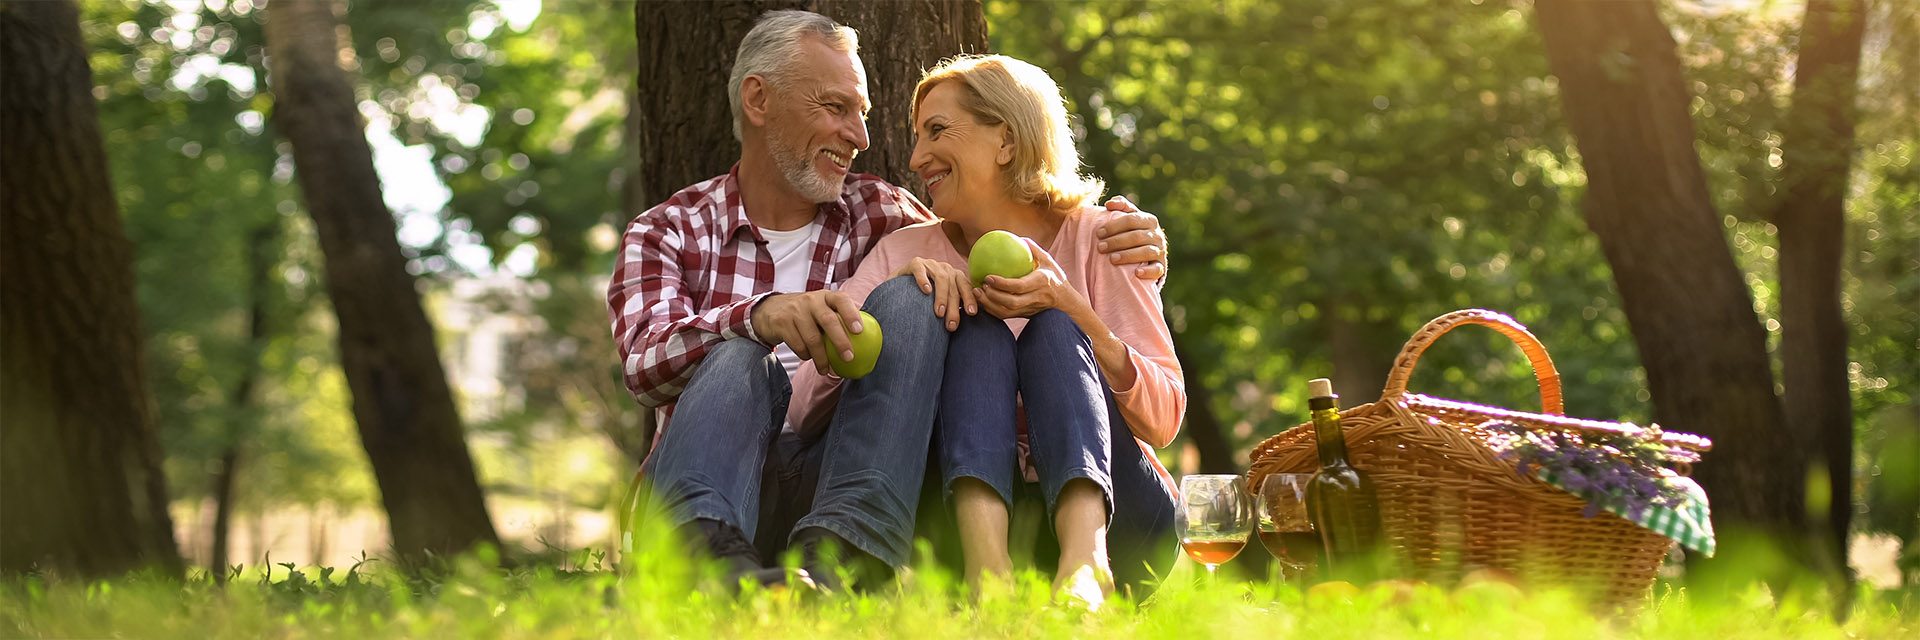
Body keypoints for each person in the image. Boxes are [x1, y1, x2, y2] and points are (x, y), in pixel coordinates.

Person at [608, 11, 1169, 591]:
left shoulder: (885, 214)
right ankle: (702, 567)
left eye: (864, 114)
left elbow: (990, 235)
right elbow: (643, 367)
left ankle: (842, 565)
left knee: (945, 305)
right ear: (758, 100)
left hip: (835, 483)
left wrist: (1130, 257)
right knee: (737, 355)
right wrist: (759, 317)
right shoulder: (667, 231)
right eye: (836, 107)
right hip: (711, 482)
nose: (865, 138)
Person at [784, 54, 1182, 608]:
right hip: (949, 529)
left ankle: (1087, 566)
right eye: (917, 137)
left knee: (1052, 330)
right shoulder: (904, 252)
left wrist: (1071, 306)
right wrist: (892, 308)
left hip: (1123, 529)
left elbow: (1164, 419)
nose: (918, 157)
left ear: (1007, 141)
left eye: (938, 131)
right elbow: (801, 412)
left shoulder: (1106, 238)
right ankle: (989, 577)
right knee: (976, 334)